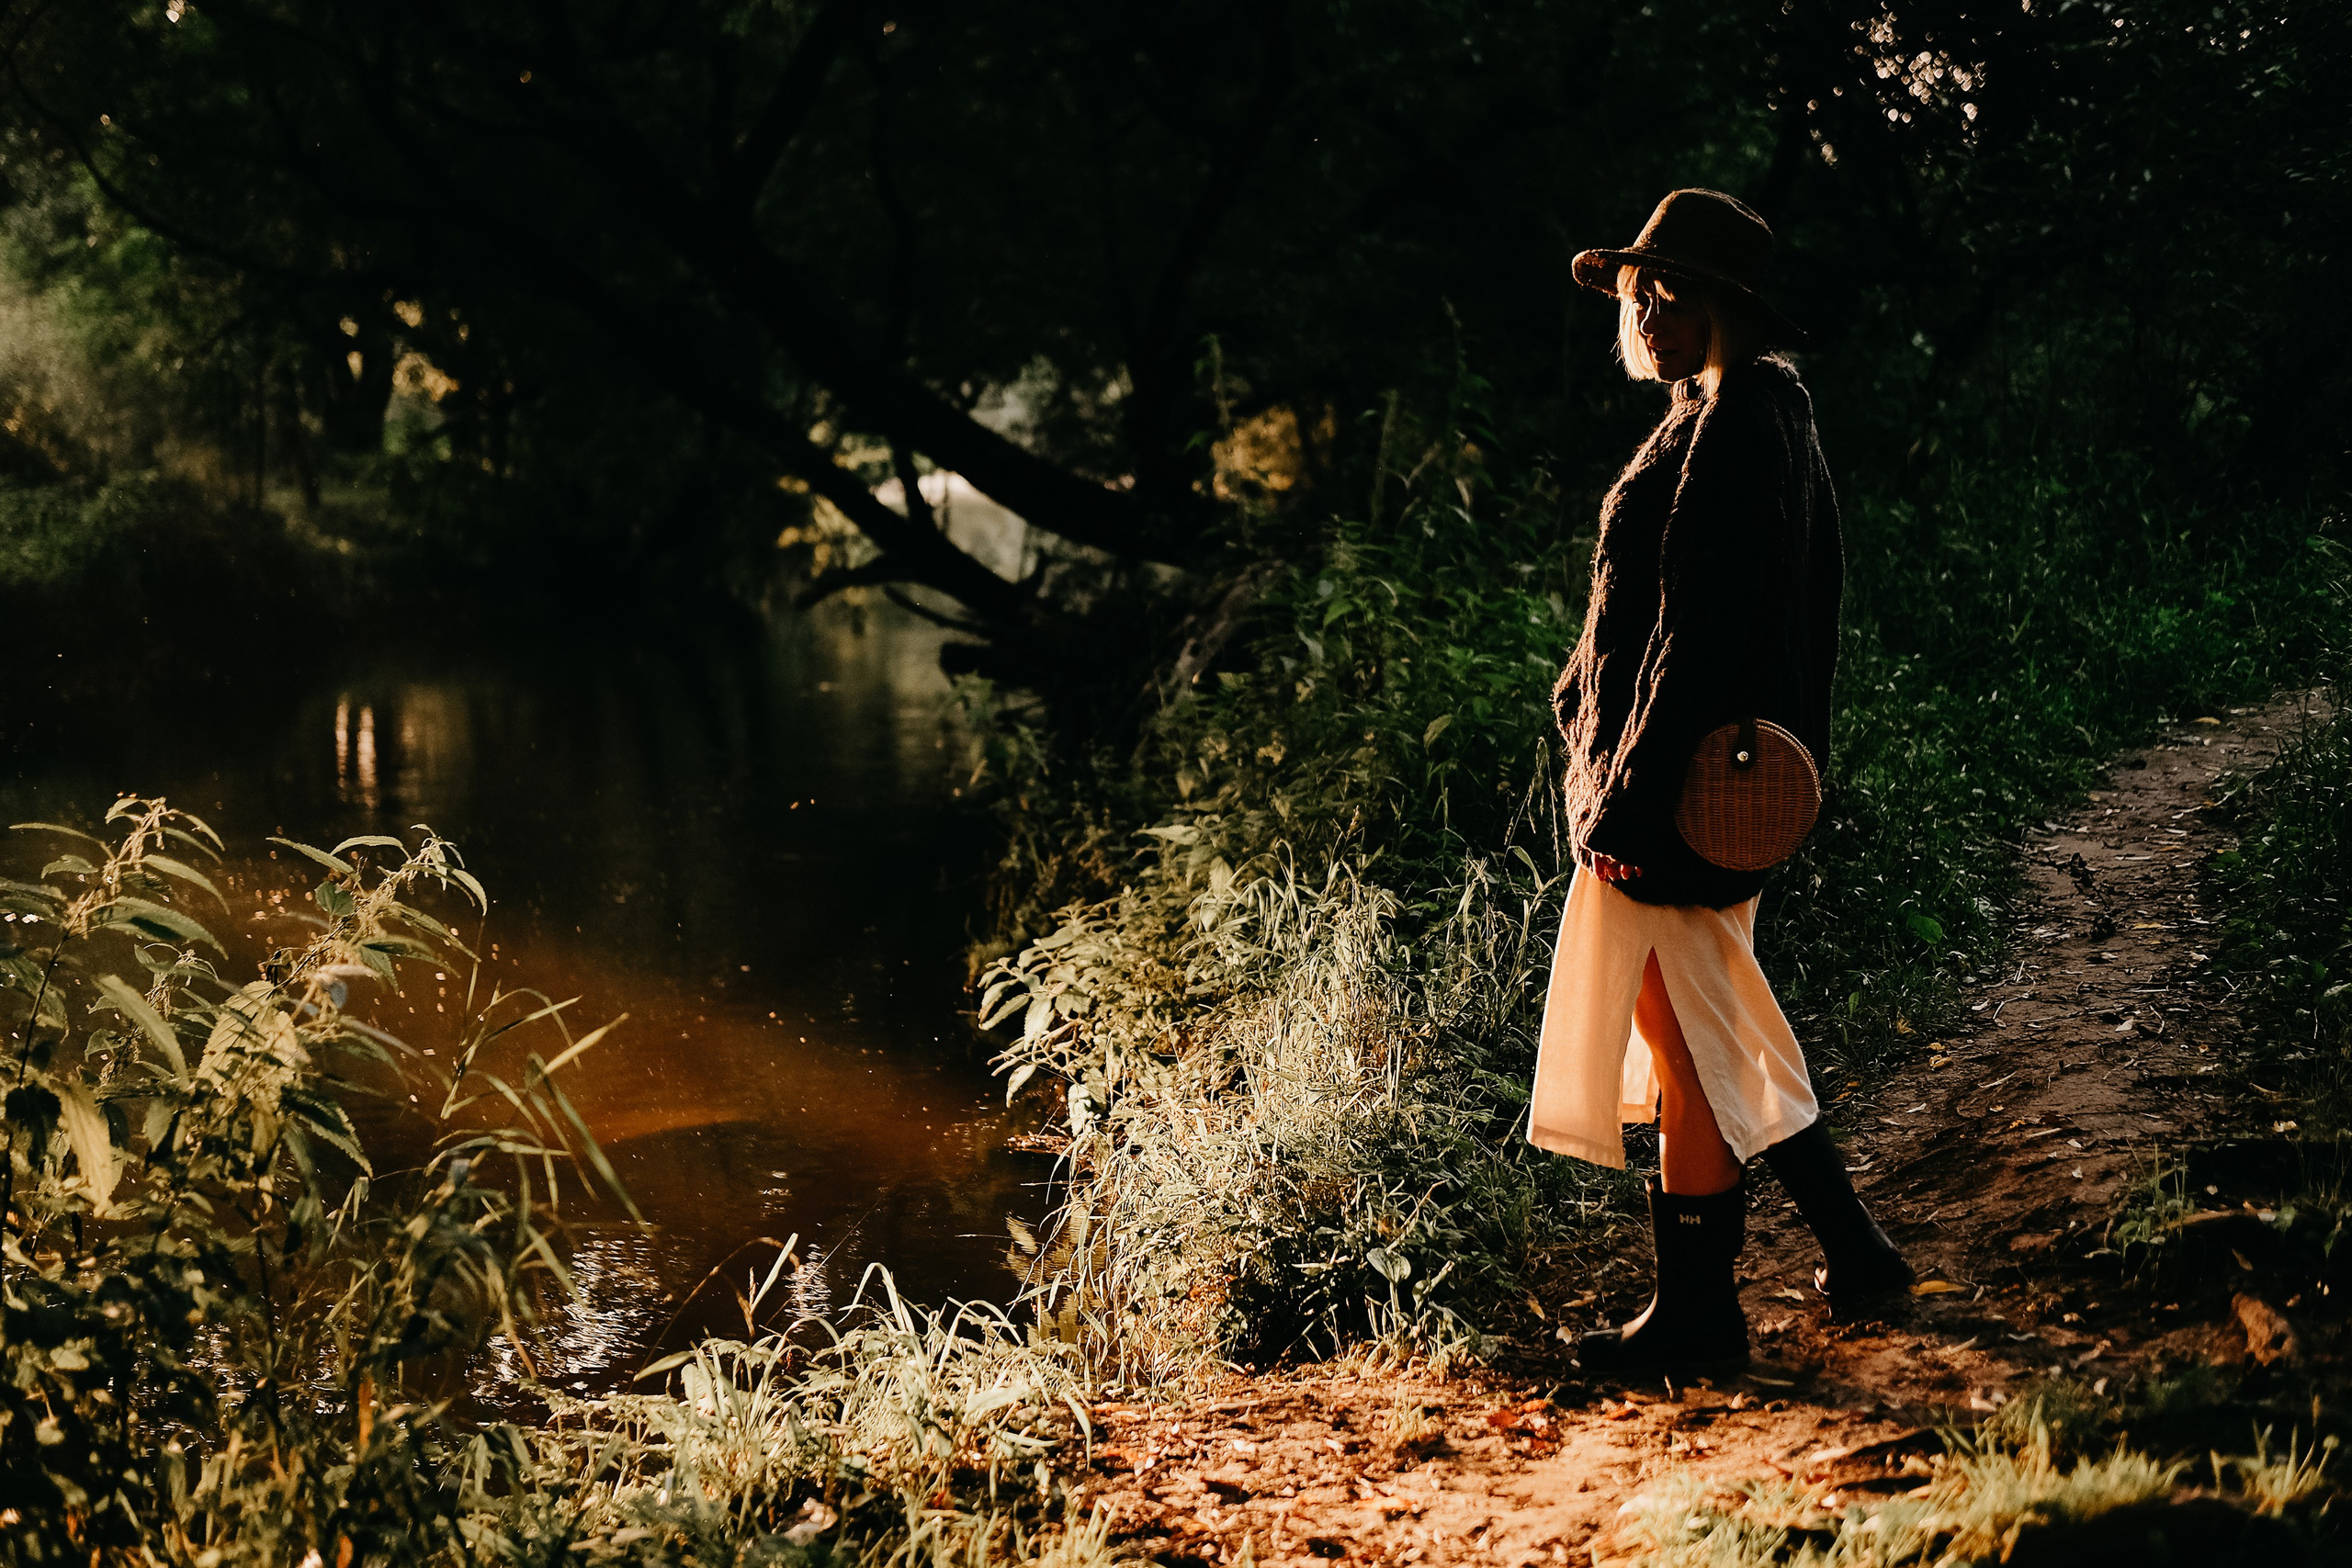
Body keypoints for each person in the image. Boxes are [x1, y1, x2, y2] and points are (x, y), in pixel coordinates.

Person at [1530, 188, 1912, 1375]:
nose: (1634, 316)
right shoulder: (1721, 410)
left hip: (1681, 791)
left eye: (1653, 294)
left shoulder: (1749, 418)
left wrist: (1633, 797)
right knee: (1702, 1018)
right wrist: (1580, 703)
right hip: (1668, 779)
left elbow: (1710, 637)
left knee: (1695, 1027)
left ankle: (1713, 1312)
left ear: (1703, 303)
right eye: (1635, 295)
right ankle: (1833, 1262)